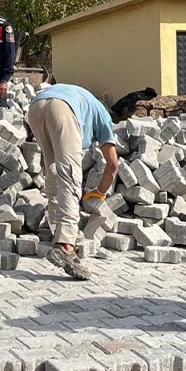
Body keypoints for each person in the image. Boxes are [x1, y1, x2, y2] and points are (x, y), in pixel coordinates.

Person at [26, 83, 119, 281]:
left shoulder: (84, 100)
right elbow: (112, 164)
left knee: (52, 169)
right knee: (70, 176)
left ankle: (56, 230)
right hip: (62, 109)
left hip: (35, 107)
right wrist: (100, 192)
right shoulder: (103, 115)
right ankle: (66, 245)